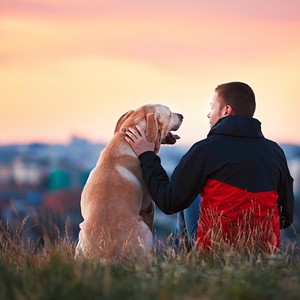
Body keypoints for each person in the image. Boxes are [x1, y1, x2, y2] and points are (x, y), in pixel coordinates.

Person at [125, 81, 294, 254]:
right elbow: (286, 218)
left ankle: (180, 261)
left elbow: (168, 202)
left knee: (188, 194)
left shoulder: (205, 150)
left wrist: (147, 155)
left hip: (215, 249)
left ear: (226, 111)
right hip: (264, 252)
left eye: (212, 107)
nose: (208, 114)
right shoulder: (275, 152)